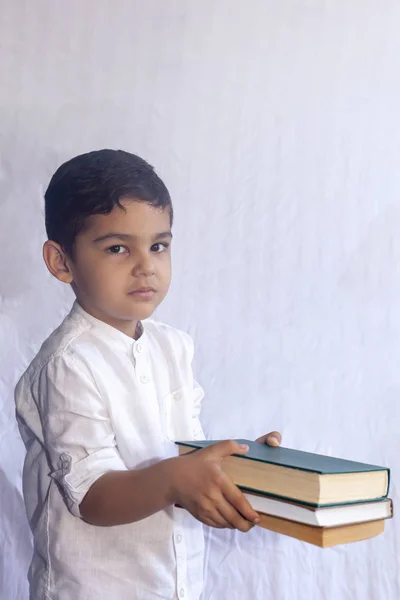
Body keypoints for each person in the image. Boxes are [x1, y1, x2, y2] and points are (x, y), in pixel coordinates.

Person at [15, 149, 282, 600]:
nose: (146, 265)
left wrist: (237, 462)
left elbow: (183, 455)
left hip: (172, 584)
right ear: (61, 262)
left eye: (158, 245)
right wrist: (179, 478)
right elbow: (93, 496)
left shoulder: (172, 347)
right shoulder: (67, 364)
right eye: (118, 248)